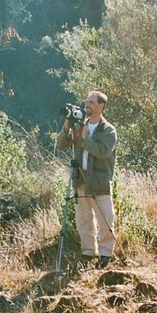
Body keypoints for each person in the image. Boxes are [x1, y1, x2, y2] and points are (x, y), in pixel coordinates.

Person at [56, 90, 117, 268]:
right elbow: (61, 144)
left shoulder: (108, 130)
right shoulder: (79, 125)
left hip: (99, 181)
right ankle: (88, 252)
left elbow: (103, 152)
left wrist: (85, 140)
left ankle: (106, 255)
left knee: (105, 219)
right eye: (86, 102)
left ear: (101, 106)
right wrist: (67, 127)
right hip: (80, 179)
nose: (87, 105)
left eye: (91, 102)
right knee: (83, 219)